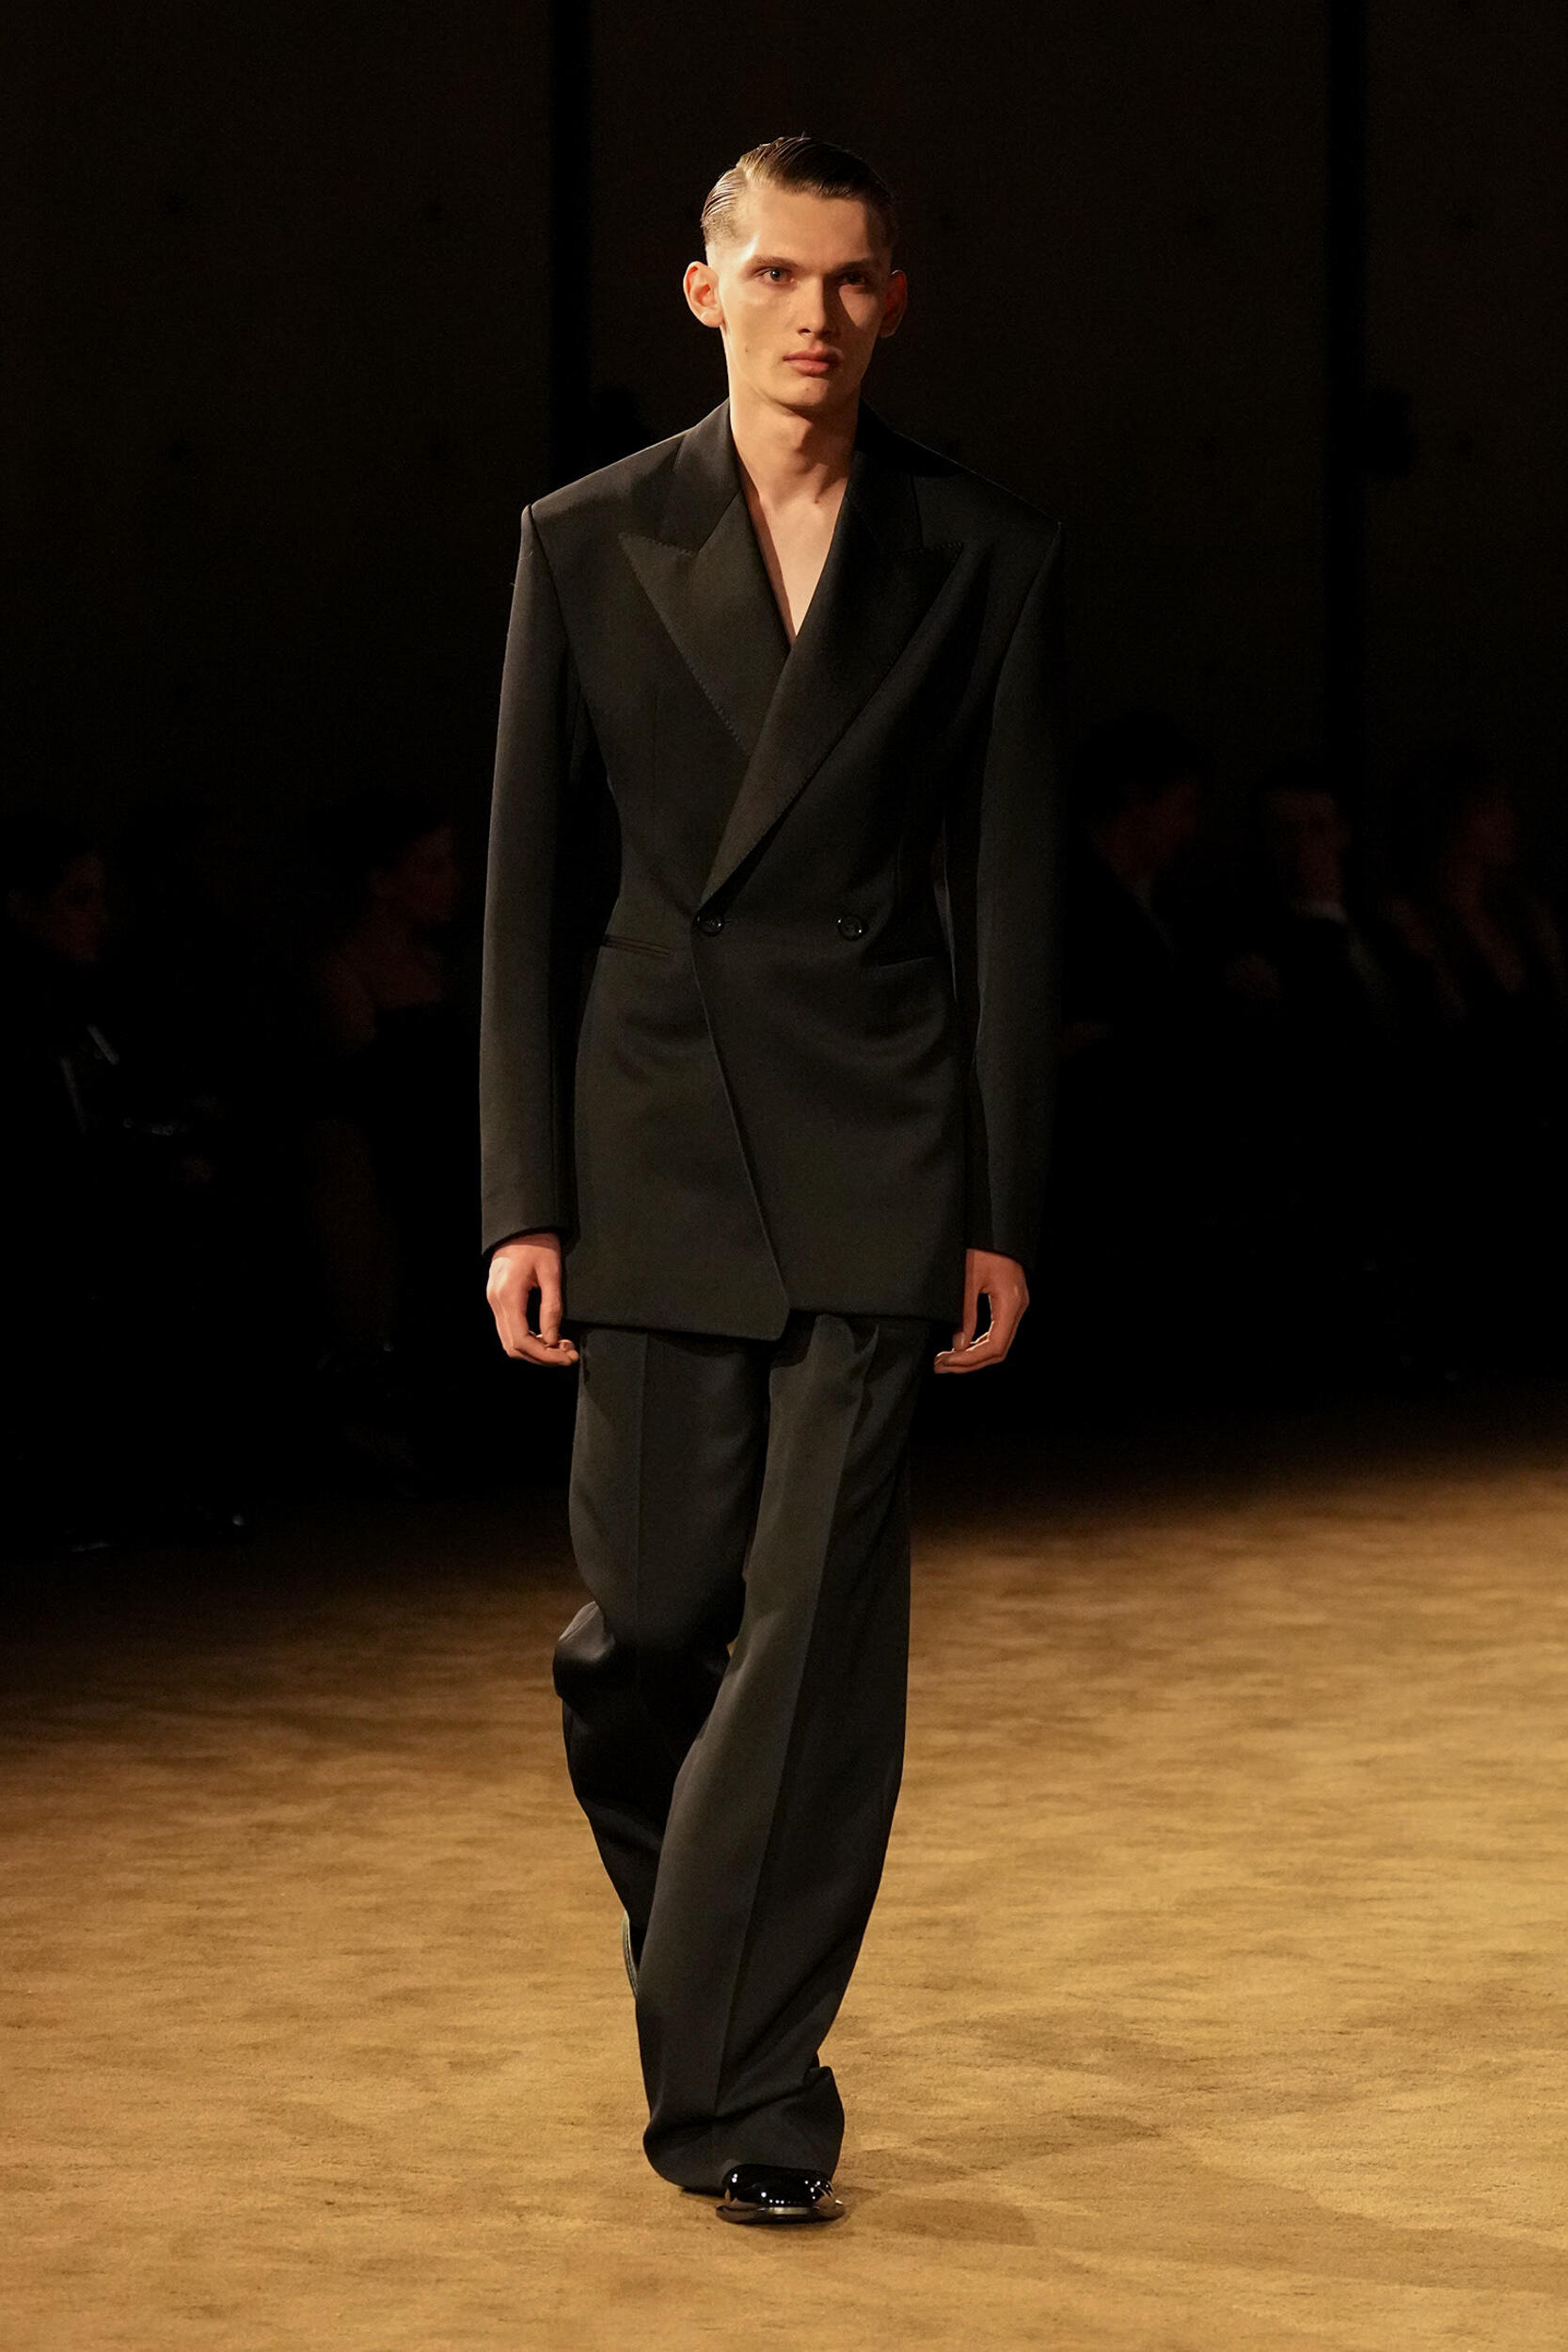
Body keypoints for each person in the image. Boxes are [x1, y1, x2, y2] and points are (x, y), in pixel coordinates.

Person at [480, 135, 1062, 2226]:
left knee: (812, 1633)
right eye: (782, 273)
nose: (819, 314)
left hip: (879, 1142)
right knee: (648, 1633)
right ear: (705, 290)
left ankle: (749, 2092)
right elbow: (528, 887)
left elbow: (1006, 889)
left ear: (892, 302)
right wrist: (520, 1192)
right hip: (649, 1142)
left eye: (855, 279)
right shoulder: (585, 538)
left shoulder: (980, 550)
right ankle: (705, 1951)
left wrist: (997, 1198)